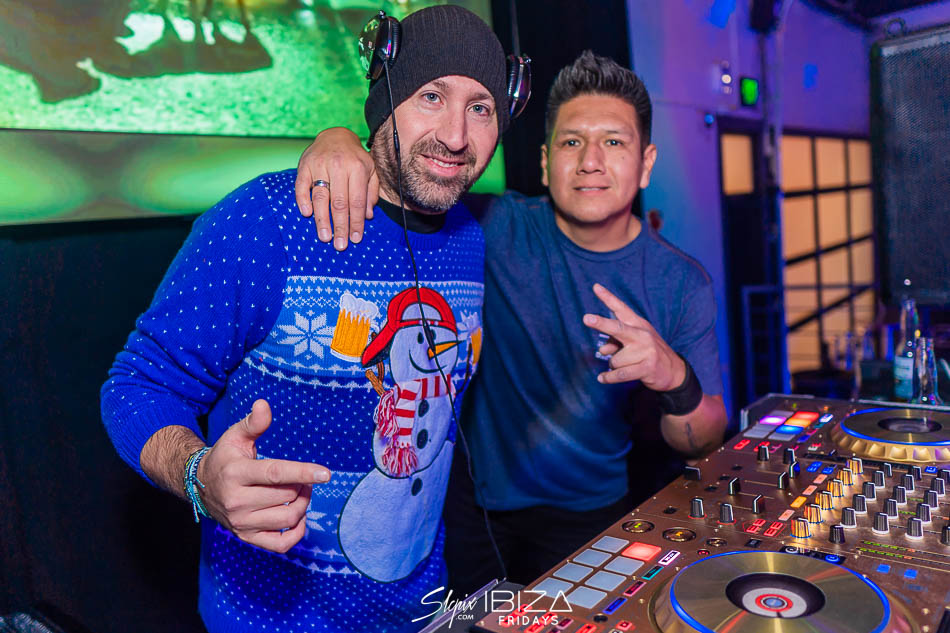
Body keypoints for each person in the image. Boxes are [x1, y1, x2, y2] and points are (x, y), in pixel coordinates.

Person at [101, 6, 515, 632]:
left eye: (480, 107)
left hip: (421, 608)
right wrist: (198, 473)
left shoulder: (469, 239)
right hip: (268, 618)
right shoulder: (268, 218)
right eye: (431, 96)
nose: (456, 135)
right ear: (385, 97)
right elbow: (138, 384)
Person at [293, 50, 730, 595]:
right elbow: (413, 174)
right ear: (545, 162)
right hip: (471, 512)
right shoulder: (491, 225)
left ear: (645, 163)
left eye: (614, 143)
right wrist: (337, 139)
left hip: (592, 515)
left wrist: (673, 376)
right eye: (572, 143)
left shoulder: (681, 282)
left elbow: (704, 439)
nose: (591, 161)